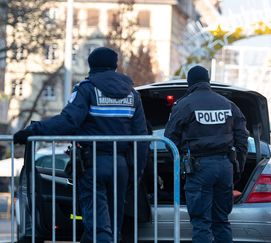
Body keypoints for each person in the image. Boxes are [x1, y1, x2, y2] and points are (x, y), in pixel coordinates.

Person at [13, 47, 148, 242]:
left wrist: (32, 131)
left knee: (99, 227)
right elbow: (142, 136)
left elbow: (68, 121)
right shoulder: (132, 94)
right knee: (114, 225)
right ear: (115, 65)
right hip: (121, 166)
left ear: (91, 65)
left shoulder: (87, 89)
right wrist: (134, 172)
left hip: (92, 163)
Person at [164, 65, 249, 243]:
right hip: (225, 166)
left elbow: (170, 138)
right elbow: (242, 137)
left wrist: (180, 164)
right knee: (221, 220)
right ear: (208, 80)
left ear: (190, 83)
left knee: (202, 222)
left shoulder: (185, 105)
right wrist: (238, 166)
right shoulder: (228, 104)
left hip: (200, 168)